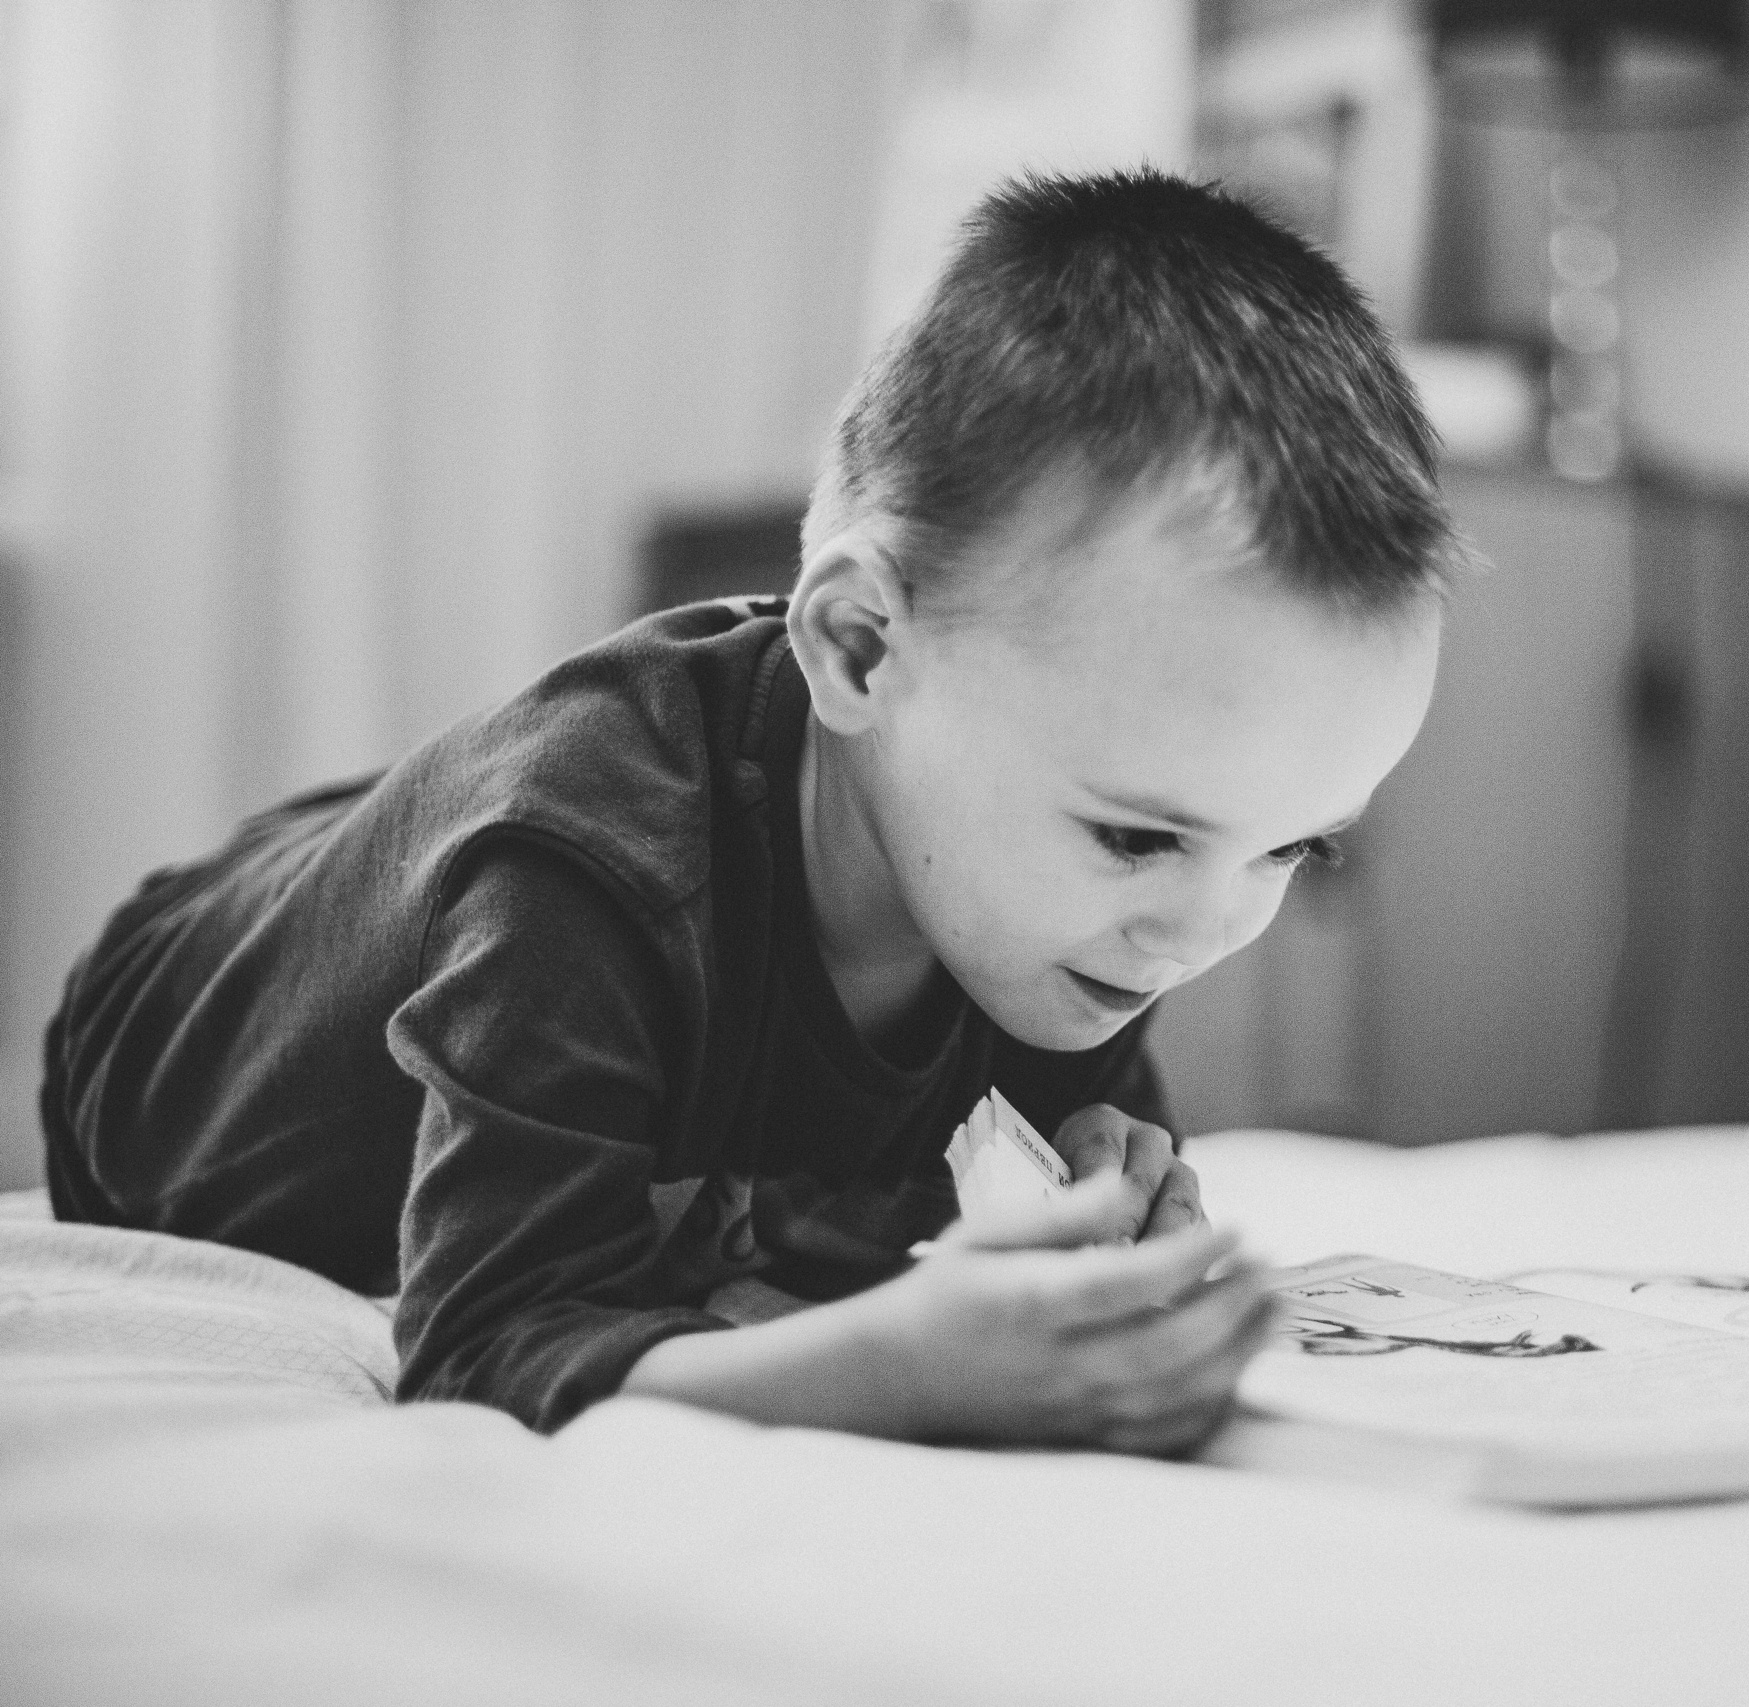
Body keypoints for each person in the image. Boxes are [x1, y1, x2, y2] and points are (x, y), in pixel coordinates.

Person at [40, 169, 1463, 1454]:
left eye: (1295, 844)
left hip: (477, 870)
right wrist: (890, 1370)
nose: (1208, 928)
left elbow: (992, 1224)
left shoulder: (1056, 900)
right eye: (1141, 836)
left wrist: (1096, 1222)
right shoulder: (589, 875)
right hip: (175, 1038)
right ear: (858, 650)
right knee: (507, 853)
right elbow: (480, 1352)